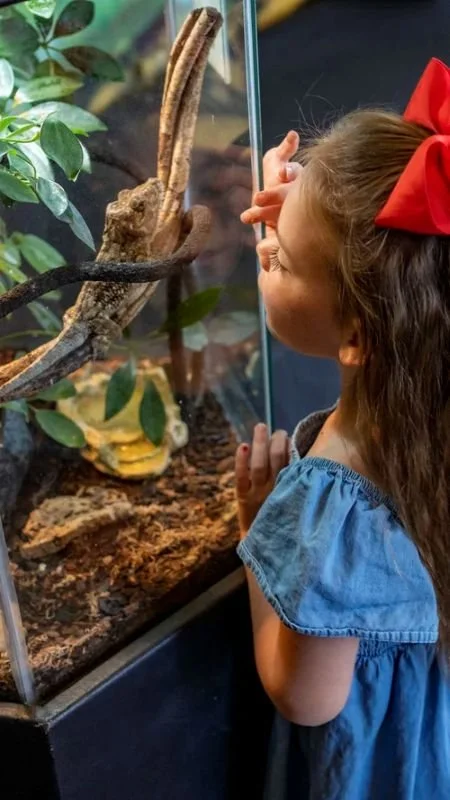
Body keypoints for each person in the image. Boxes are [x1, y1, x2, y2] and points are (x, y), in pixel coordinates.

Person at [235, 57, 450, 799]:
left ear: (355, 337)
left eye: (279, 259)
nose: (261, 252)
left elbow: (305, 696)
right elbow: (390, 257)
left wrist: (263, 535)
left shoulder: (328, 508)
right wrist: (310, 221)